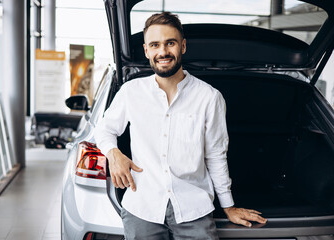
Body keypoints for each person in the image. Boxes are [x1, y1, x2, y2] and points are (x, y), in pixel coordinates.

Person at [94, 11, 267, 240]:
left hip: (194, 210)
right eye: (155, 45)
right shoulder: (131, 92)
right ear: (146, 51)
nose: (163, 52)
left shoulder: (209, 97)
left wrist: (228, 206)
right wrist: (113, 153)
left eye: (170, 43)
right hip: (142, 208)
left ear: (182, 46)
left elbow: (216, 154)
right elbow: (104, 129)